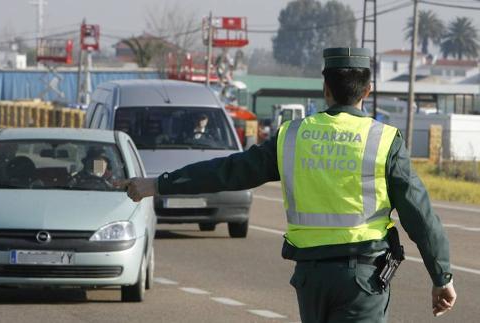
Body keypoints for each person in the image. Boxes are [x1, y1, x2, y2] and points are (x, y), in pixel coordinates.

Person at [116, 47, 456, 322]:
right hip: (362, 282)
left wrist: (157, 184)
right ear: (367, 91)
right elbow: (420, 215)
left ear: (325, 89)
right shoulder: (384, 141)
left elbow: (227, 171)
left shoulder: (293, 137)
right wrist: (442, 277)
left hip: (310, 279)